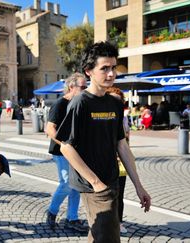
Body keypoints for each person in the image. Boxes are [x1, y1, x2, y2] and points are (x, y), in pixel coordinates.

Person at [57, 41, 151, 243]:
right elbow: (65, 146)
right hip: (93, 186)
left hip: (112, 179)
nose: (111, 74)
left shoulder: (115, 103)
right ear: (89, 71)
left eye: (113, 67)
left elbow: (122, 145)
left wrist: (138, 186)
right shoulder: (80, 102)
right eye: (104, 68)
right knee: (109, 237)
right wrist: (95, 182)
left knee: (100, 233)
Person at [45, 72, 88, 232]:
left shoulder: (81, 104)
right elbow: (49, 128)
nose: (86, 89)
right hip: (61, 151)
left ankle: (72, 218)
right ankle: (51, 212)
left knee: (76, 185)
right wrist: (64, 144)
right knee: (66, 184)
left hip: (76, 151)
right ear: (72, 87)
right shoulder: (60, 104)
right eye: (83, 87)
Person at [106, 86, 130, 234]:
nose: (116, 103)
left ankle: (119, 222)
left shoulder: (124, 118)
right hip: (104, 161)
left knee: (119, 194)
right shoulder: (102, 116)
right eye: (113, 100)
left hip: (120, 161)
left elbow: (126, 140)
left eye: (119, 101)